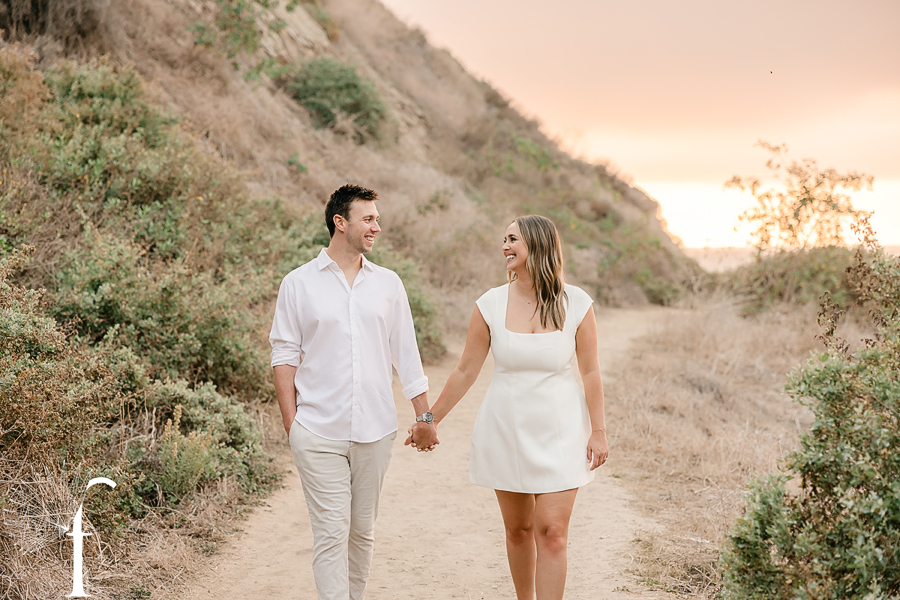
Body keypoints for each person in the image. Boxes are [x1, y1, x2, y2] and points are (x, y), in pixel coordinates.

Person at [408, 214, 608, 600]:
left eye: (513, 239)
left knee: (553, 532)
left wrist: (598, 430)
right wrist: (429, 419)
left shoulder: (577, 303)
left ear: (538, 243)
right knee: (519, 530)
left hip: (562, 430)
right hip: (506, 428)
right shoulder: (490, 304)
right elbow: (466, 370)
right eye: (504, 239)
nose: (505, 246)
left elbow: (591, 371)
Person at [270, 184, 439, 600]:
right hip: (317, 430)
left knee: (362, 531)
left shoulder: (388, 284)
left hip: (375, 429)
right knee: (331, 532)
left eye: (377, 219)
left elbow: (407, 356)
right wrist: (292, 425)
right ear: (340, 222)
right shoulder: (298, 284)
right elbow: (284, 356)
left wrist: (425, 417)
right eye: (368, 219)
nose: (377, 227)